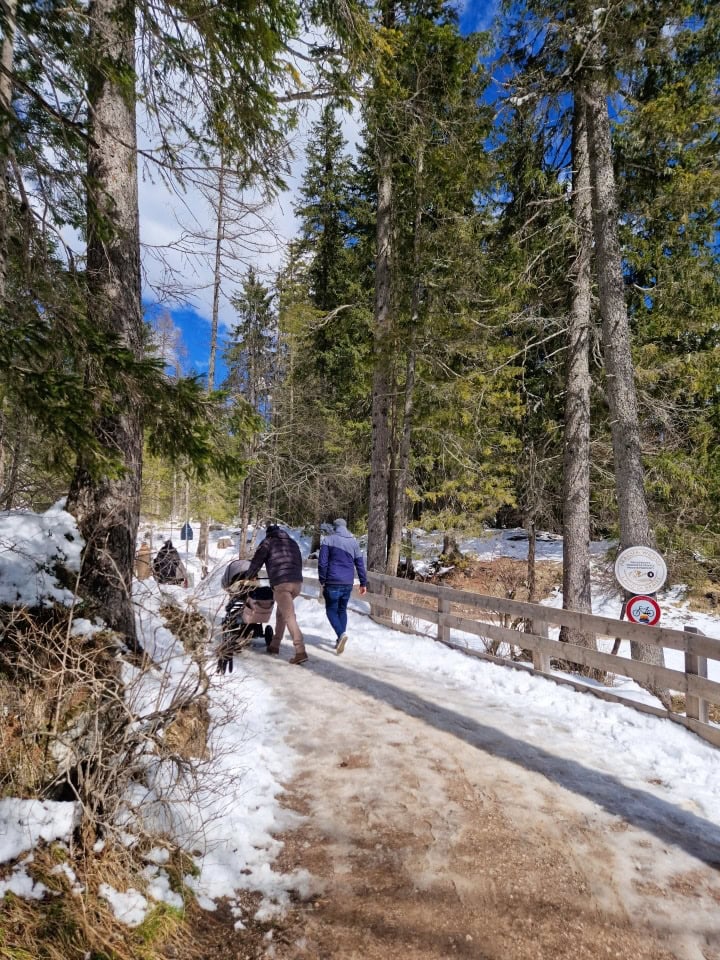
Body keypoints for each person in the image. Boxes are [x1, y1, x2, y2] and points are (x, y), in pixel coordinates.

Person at [244, 524, 308, 664]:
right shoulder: (292, 542)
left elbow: (257, 562)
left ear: (269, 533)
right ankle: (274, 645)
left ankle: (300, 651)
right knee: (282, 614)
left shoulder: (268, 542)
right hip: (296, 583)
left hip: (282, 583)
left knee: (289, 616)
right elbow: (298, 562)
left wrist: (249, 576)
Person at [318, 518, 367, 655]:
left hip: (332, 581)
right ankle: (339, 638)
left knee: (331, 610)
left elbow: (322, 563)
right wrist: (363, 583)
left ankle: (341, 634)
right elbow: (360, 565)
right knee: (342, 610)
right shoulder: (353, 542)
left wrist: (322, 579)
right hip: (347, 583)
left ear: (335, 527)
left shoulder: (328, 540)